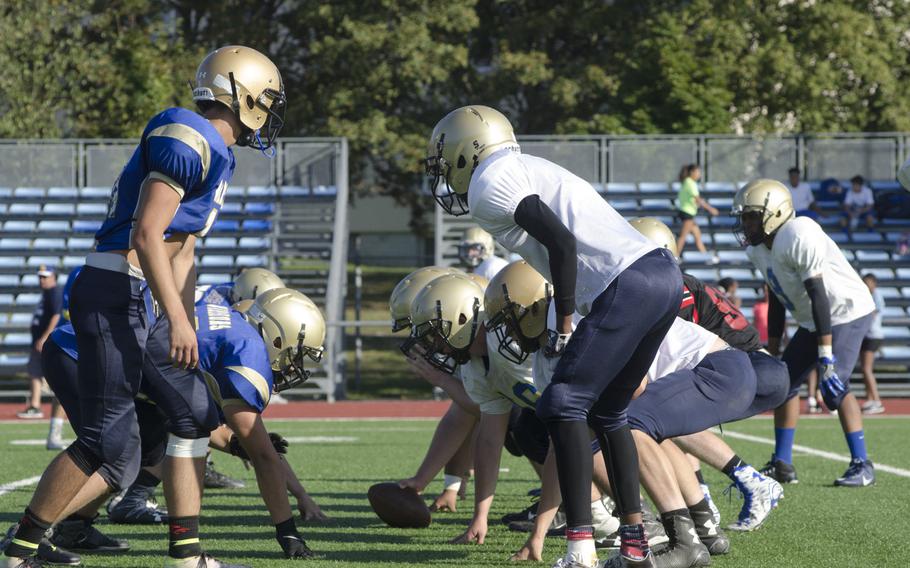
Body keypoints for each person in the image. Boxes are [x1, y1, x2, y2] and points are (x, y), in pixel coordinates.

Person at [3, 45, 285, 568]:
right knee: (105, 444)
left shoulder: (214, 154)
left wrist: (185, 321)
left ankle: (188, 555)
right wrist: (176, 318)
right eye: (265, 99)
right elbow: (148, 233)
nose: (268, 111)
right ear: (242, 95)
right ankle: (22, 549)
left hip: (137, 299)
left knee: (197, 409)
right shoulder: (189, 136)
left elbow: (184, 251)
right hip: (115, 291)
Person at [427, 105, 682, 568]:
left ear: (467, 150)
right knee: (609, 412)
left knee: (560, 404)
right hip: (661, 275)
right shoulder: (527, 167)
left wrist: (564, 323)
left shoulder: (489, 181)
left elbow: (562, 244)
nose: (446, 173)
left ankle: (580, 546)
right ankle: (634, 544)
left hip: (624, 283)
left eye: (446, 160)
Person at [732, 179, 876, 488]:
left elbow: (818, 293)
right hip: (815, 319)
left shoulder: (799, 233)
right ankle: (782, 464)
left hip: (847, 311)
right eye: (744, 216)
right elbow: (777, 299)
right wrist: (771, 350)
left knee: (835, 384)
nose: (746, 223)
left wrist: (826, 355)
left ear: (775, 213)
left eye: (751, 216)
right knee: (781, 383)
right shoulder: (760, 250)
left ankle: (862, 464)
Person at [17, 266, 63, 420]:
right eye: (40, 277)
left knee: (36, 372)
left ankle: (36, 406)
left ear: (53, 277)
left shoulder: (55, 292)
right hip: (40, 340)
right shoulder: (47, 293)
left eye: (45, 277)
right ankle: (35, 405)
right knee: (34, 372)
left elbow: (56, 316)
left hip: (45, 341)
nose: (41, 280)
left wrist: (44, 337)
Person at [674, 164, 719, 261]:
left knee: (697, 235)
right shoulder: (690, 183)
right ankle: (675, 258)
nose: (699, 174)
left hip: (687, 212)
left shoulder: (687, 182)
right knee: (683, 236)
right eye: (698, 172)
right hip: (687, 213)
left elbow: (691, 199)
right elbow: (697, 199)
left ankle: (705, 257)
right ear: (692, 172)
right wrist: (711, 209)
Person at [860, 274, 885, 415]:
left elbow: (872, 314)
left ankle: (877, 401)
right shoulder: (865, 295)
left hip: (873, 336)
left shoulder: (876, 295)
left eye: (868, 283)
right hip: (866, 336)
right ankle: (870, 399)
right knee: (864, 369)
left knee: (867, 369)